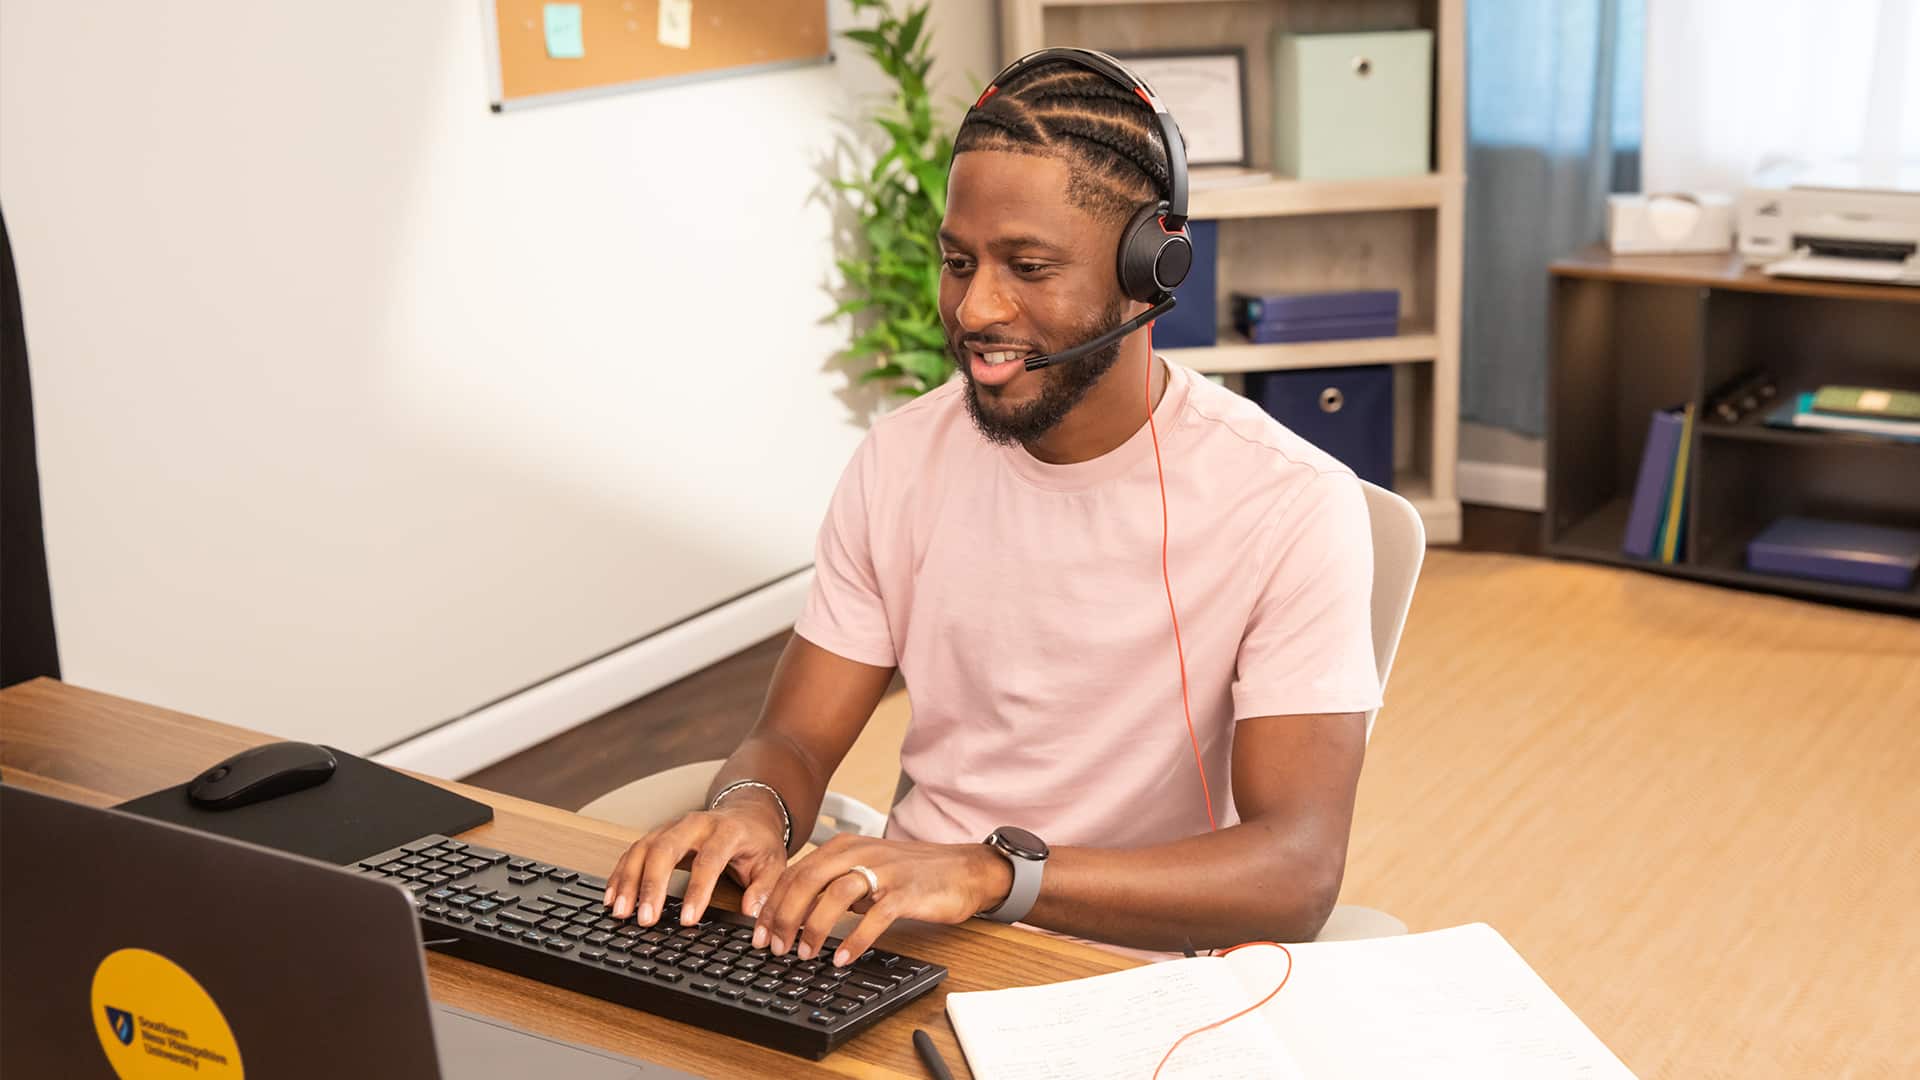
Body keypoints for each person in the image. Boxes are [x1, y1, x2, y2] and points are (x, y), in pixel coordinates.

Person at [604, 53, 1380, 966]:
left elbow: (1297, 872)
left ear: (1150, 268)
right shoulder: (902, 458)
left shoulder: (1289, 503)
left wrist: (994, 874)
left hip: (1122, 966)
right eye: (958, 261)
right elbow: (792, 741)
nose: (974, 308)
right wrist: (749, 812)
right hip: (897, 938)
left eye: (1029, 266)